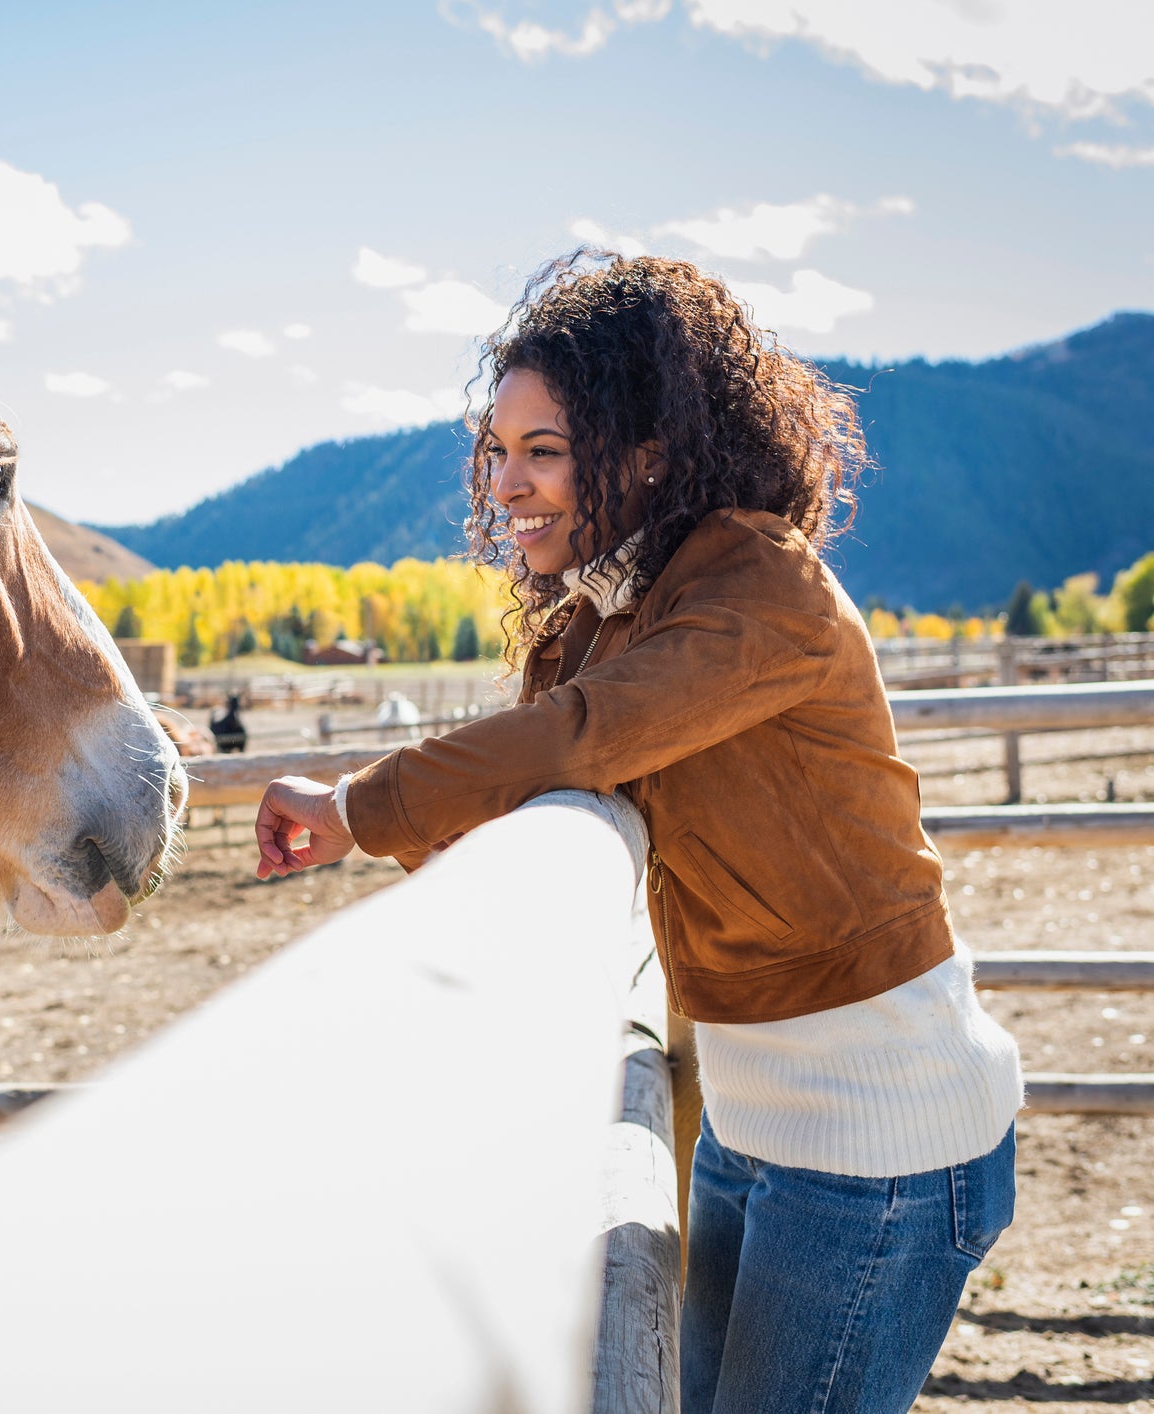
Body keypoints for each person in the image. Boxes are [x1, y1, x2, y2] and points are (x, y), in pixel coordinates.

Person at [253, 252, 1022, 1414]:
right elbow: (518, 792)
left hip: (882, 1138)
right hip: (750, 1123)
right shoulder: (613, 606)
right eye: (495, 450)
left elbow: (580, 736)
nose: (505, 484)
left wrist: (355, 808)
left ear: (645, 448)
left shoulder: (759, 587)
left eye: (544, 450)